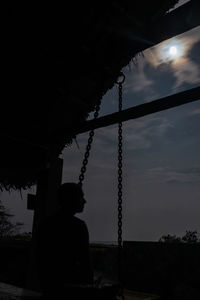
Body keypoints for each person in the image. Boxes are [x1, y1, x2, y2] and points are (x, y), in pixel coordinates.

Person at [35, 182, 93, 295]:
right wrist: (90, 286)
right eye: (81, 197)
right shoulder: (79, 226)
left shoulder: (45, 224)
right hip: (71, 288)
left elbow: (41, 258)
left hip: (49, 286)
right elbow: (85, 261)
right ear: (73, 199)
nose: (84, 201)